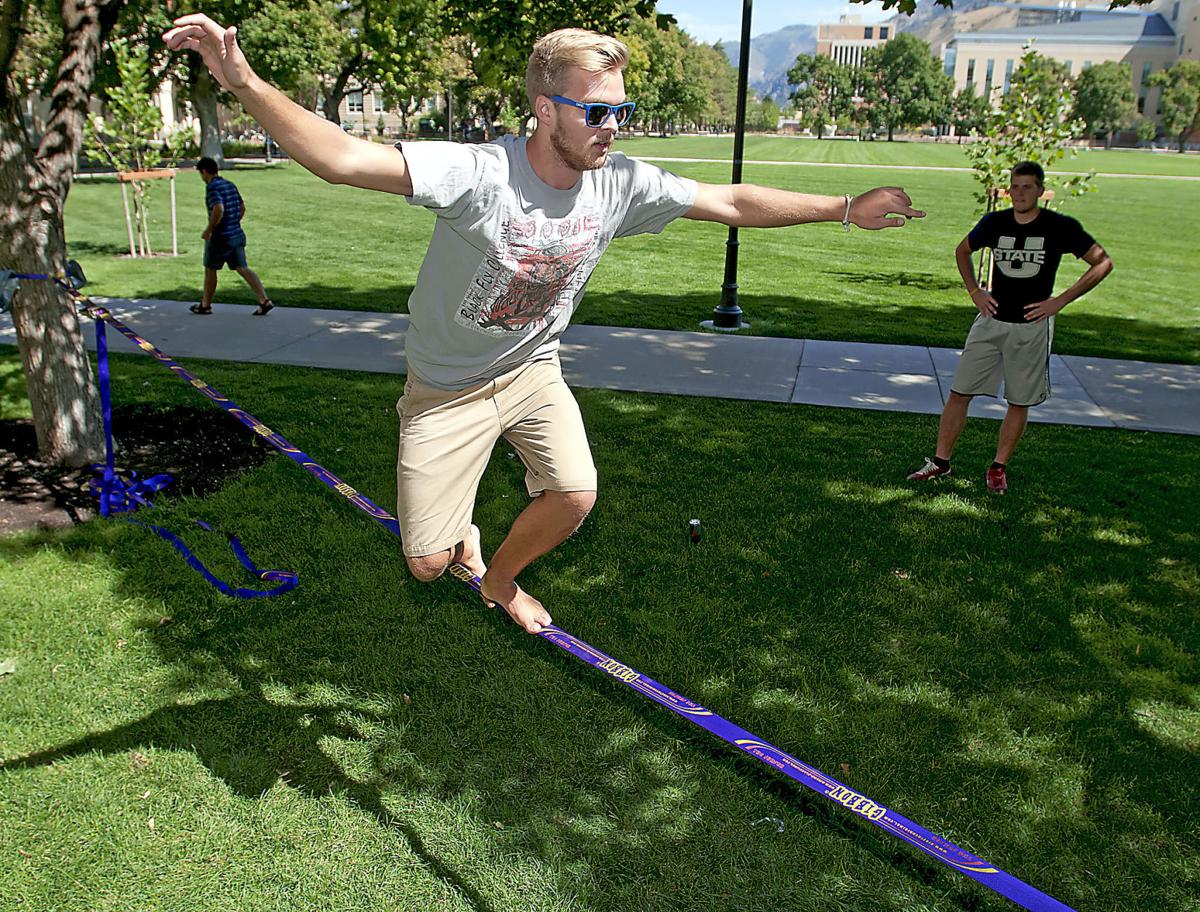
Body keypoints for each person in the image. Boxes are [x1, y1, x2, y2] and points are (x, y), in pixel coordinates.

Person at [164, 15, 925, 634]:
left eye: (621, 111)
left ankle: (499, 581)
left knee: (575, 494)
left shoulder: (619, 182)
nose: (613, 127)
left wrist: (846, 209)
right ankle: (455, 546)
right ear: (545, 109)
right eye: (597, 112)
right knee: (427, 564)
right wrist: (244, 82)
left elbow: (727, 202)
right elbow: (340, 158)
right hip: (445, 392)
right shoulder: (481, 176)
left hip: (533, 373)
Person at [907, 161, 1112, 494]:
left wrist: (1060, 301)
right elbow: (962, 251)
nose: (1020, 193)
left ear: (1040, 191)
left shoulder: (1059, 226)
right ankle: (940, 462)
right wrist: (975, 291)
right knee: (959, 392)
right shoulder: (995, 222)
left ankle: (998, 467)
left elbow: (1102, 262)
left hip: (1031, 327)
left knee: (1018, 401)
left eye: (1027, 187)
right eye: (1015, 186)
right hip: (990, 322)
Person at [193, 156, 275, 316]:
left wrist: (209, 229)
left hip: (220, 237)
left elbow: (218, 208)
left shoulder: (212, 187)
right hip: (236, 234)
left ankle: (205, 305)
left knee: (210, 269)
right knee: (242, 267)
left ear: (204, 172)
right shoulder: (229, 184)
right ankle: (264, 300)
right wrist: (234, 222)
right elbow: (242, 207)